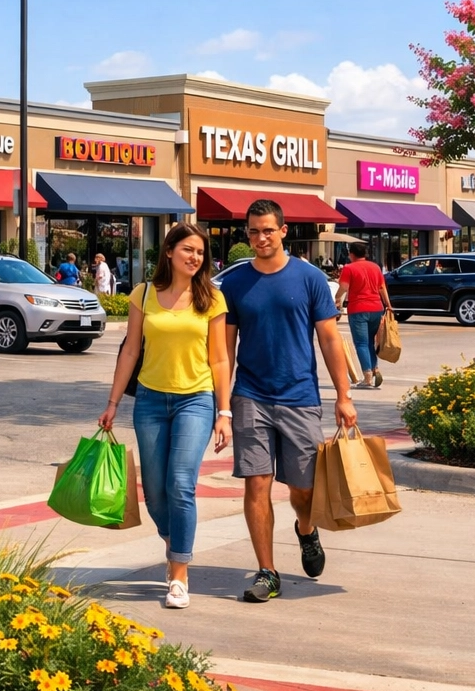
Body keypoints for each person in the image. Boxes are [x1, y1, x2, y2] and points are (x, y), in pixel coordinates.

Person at [217, 199, 356, 604]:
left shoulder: (309, 279)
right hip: (251, 396)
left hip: (300, 397)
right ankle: (268, 572)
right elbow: (224, 351)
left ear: (282, 230)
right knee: (256, 483)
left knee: (303, 490)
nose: (260, 238)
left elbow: (330, 339)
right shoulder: (236, 284)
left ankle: (306, 530)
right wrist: (223, 406)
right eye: (253, 231)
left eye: (267, 230)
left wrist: (343, 396)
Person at [98, 223, 231, 610]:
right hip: (152, 402)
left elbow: (220, 358)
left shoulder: (212, 299)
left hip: (197, 400)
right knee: (154, 492)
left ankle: (179, 574)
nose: (195, 258)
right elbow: (129, 351)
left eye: (201, 253)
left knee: (180, 484)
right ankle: (176, 541)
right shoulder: (144, 294)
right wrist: (113, 403)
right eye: (188, 250)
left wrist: (224, 412)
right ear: (170, 251)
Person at [335, 242, 393, 389]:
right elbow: (382, 287)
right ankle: (375, 369)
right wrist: (388, 304)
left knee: (361, 343)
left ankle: (367, 376)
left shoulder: (349, 268)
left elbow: (344, 287)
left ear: (351, 254)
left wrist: (337, 299)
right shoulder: (375, 267)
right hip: (376, 308)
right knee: (369, 342)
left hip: (358, 309)